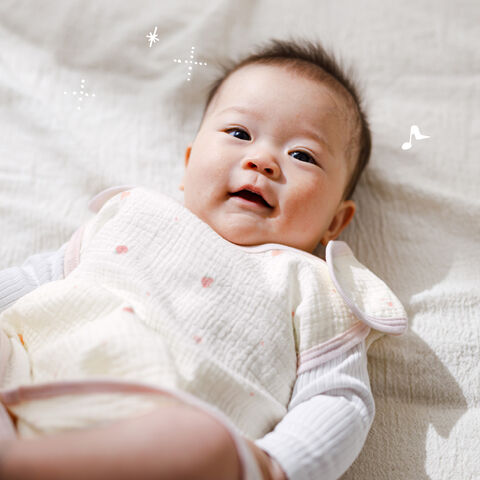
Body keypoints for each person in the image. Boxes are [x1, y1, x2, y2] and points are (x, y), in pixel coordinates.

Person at [0, 37, 407, 480]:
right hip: (27, 389)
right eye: (239, 134)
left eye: (302, 155)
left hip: (160, 442)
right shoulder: (136, 216)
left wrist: (275, 465)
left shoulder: (316, 286)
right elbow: (38, 278)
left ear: (335, 221)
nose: (262, 161)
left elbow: (337, 397)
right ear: (190, 162)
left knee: (204, 440)